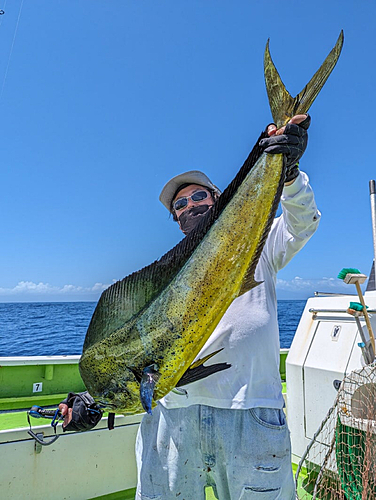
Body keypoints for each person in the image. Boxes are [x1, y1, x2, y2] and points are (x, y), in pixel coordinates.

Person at [60, 114, 320, 500]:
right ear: (176, 218)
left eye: (200, 195)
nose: (190, 204)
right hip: (171, 420)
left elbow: (302, 224)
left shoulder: (259, 246)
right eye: (180, 203)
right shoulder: (162, 282)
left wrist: (290, 176)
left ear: (217, 199)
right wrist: (89, 398)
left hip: (251, 413)